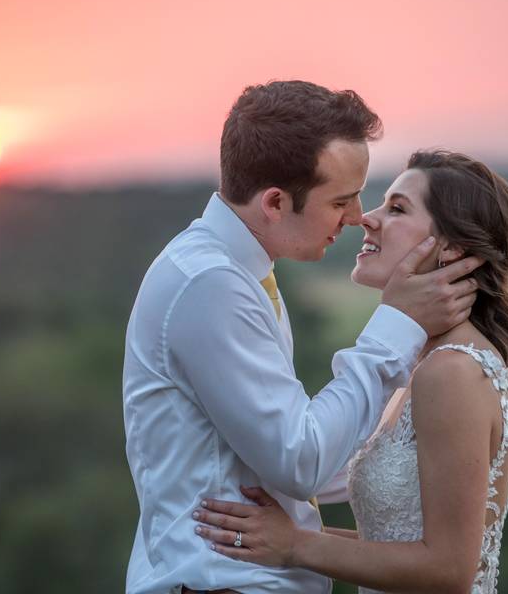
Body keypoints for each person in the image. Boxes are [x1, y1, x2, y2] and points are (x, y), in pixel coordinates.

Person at [122, 83, 482, 594]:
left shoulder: (237, 274)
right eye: (341, 199)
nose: (358, 216)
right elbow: (301, 460)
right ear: (274, 202)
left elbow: (289, 456)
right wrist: (393, 328)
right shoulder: (212, 284)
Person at [194, 150, 508, 594]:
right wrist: (290, 536)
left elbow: (448, 570)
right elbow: (396, 544)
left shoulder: (453, 372)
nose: (368, 219)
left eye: (397, 209)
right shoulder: (428, 363)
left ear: (453, 248)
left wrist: (296, 546)